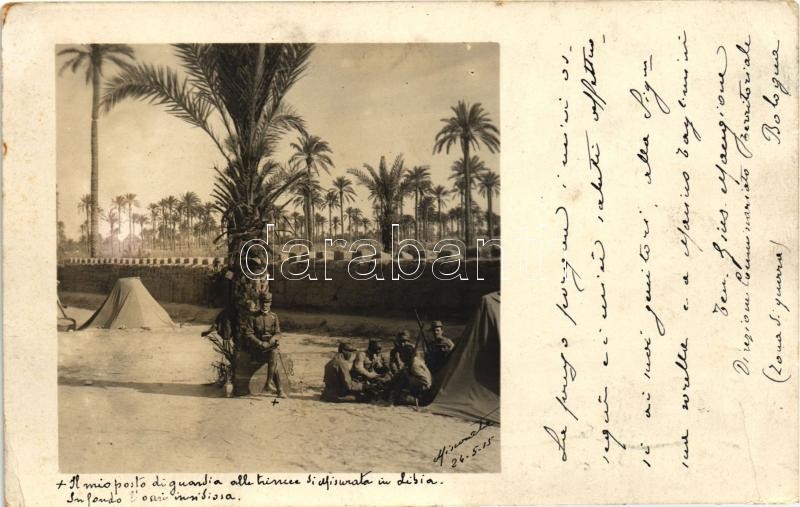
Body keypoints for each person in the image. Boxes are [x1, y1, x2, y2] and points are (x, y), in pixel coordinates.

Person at [240, 292, 286, 398]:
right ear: (259, 303)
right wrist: (260, 343)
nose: (265, 305)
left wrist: (272, 340)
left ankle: (269, 384)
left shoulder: (274, 317)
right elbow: (248, 333)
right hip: (256, 349)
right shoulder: (253, 317)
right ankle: (278, 389)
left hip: (269, 348)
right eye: (263, 302)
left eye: (267, 302)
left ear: (270, 303)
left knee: (273, 353)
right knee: (273, 359)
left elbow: (278, 333)